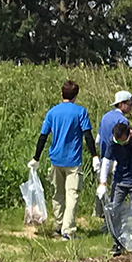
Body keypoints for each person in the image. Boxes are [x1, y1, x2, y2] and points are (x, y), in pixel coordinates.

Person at [30, 80, 99, 240]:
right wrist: (94, 155)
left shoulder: (52, 112)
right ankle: (68, 231)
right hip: (73, 160)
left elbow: (43, 136)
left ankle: (58, 226)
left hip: (56, 159)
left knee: (58, 194)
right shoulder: (80, 112)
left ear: (62, 94)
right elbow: (87, 135)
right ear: (75, 95)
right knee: (72, 195)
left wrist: (36, 158)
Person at [96, 122, 132, 256]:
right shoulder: (113, 141)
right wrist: (103, 183)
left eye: (123, 142)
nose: (120, 144)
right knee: (114, 210)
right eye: (118, 142)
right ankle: (118, 242)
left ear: (129, 134)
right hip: (120, 180)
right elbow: (107, 160)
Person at [97, 91, 132, 192]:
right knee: (115, 192)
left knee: (104, 190)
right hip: (116, 162)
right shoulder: (123, 121)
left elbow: (98, 140)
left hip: (104, 159)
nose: (131, 107)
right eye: (129, 105)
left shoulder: (105, 117)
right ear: (121, 104)